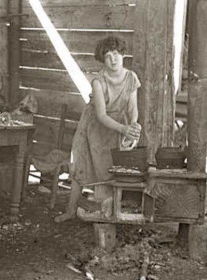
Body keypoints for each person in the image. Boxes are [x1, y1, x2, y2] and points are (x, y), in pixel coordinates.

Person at [55, 36, 142, 223]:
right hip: (94, 127)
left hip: (119, 125)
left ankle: (108, 211)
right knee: (82, 168)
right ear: (103, 59)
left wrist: (132, 126)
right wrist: (124, 129)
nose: (113, 59)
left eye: (117, 54)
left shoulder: (131, 78)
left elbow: (133, 108)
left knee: (112, 169)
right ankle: (70, 210)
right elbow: (101, 116)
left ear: (123, 55)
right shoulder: (98, 82)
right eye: (108, 55)